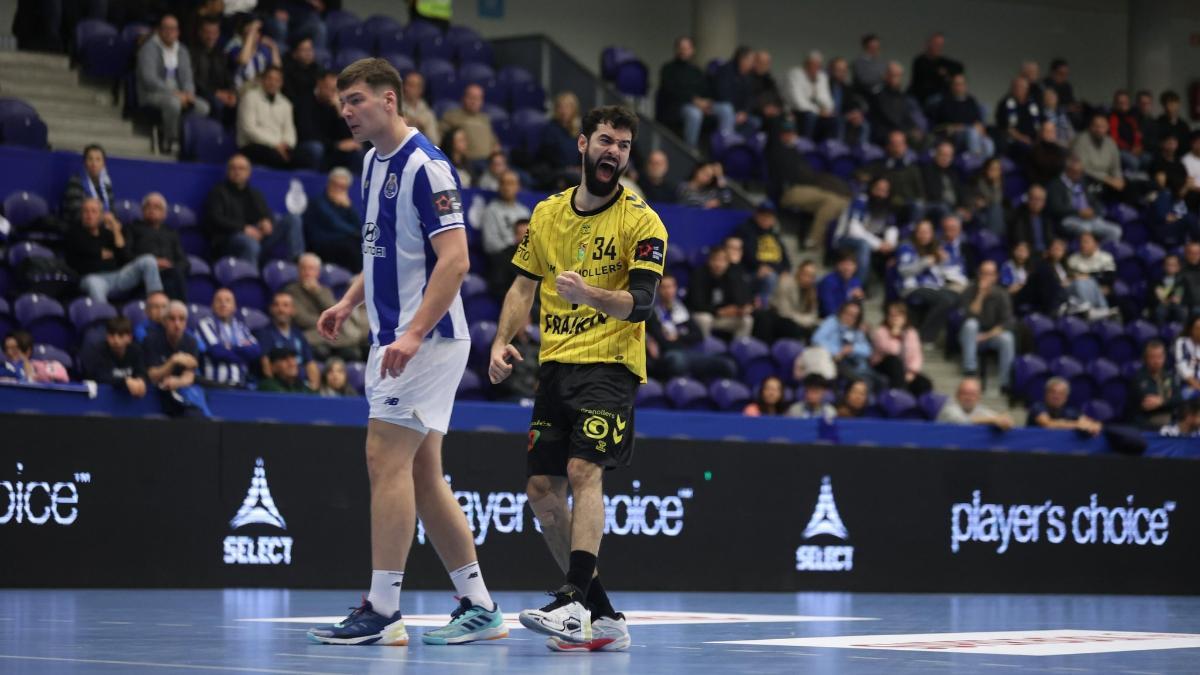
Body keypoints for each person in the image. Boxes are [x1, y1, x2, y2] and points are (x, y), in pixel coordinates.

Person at [307, 58, 505, 648]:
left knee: (383, 458)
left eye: (357, 100)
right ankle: (479, 604)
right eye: (342, 103)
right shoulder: (372, 162)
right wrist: (349, 301)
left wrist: (415, 332)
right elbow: (384, 250)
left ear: (389, 100)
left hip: (426, 340)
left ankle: (384, 609)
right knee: (421, 472)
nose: (346, 112)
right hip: (396, 337)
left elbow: (456, 260)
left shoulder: (427, 166)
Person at [488, 104, 666, 652]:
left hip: (610, 364)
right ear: (583, 144)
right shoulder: (546, 214)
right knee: (542, 492)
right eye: (606, 141)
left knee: (583, 470)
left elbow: (642, 302)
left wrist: (588, 293)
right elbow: (523, 286)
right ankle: (603, 615)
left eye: (624, 146)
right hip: (555, 366)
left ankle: (570, 601)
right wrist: (501, 339)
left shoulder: (642, 222)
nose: (615, 152)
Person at [767, 118, 851, 251]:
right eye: (786, 133)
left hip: (805, 188)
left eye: (792, 132)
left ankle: (817, 241)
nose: (790, 135)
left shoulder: (794, 151)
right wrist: (782, 116)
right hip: (789, 191)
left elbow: (808, 174)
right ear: (780, 134)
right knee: (831, 200)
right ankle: (814, 240)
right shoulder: (775, 148)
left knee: (837, 202)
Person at [204, 154, 304, 263]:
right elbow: (215, 219)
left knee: (293, 219)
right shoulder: (218, 192)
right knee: (250, 244)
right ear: (228, 171)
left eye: (241, 169)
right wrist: (243, 228)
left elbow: (266, 213)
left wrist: (267, 221)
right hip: (229, 240)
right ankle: (250, 273)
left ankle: (297, 262)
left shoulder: (254, 193)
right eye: (233, 168)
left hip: (257, 238)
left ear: (249, 173)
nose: (237, 172)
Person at [67, 198, 165, 305]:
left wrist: (114, 226)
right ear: (81, 215)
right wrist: (99, 253)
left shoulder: (106, 233)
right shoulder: (74, 232)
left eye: (93, 211)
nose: (89, 215)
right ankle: (103, 314)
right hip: (92, 277)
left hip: (117, 277)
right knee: (94, 284)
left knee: (148, 260)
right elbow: (85, 250)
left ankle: (157, 303)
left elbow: (122, 252)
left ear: (101, 216)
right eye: (86, 211)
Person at [136, 14, 209, 153]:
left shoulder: (182, 50)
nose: (170, 32)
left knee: (203, 107)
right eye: (166, 28)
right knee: (173, 103)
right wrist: (175, 94)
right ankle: (171, 140)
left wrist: (188, 94)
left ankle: (189, 140)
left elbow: (188, 78)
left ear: (178, 32)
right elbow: (149, 79)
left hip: (180, 94)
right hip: (153, 93)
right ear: (159, 30)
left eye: (173, 29)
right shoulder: (148, 49)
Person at [647, 274, 737, 382]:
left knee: (727, 364)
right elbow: (663, 342)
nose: (668, 291)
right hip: (670, 354)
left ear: (675, 288)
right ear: (658, 290)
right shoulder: (653, 312)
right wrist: (684, 338)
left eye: (671, 286)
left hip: (690, 352)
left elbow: (698, 335)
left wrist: (678, 337)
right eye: (664, 287)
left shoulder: (681, 308)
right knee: (677, 362)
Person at [286, 253, 367, 362]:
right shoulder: (291, 291)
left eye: (311, 269)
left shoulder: (323, 290)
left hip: (327, 334)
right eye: (304, 268)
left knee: (353, 353)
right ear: (298, 271)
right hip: (309, 334)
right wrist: (326, 322)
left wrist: (317, 293)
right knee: (321, 351)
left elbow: (335, 312)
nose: (307, 272)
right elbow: (302, 319)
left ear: (318, 273)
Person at [657, 36, 732, 148]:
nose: (684, 51)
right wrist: (694, 101)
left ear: (692, 50)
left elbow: (705, 89)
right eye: (681, 48)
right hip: (677, 106)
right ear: (676, 49)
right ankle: (691, 150)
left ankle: (725, 146)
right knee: (694, 113)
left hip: (699, 104)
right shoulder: (668, 69)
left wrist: (706, 103)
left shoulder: (696, 70)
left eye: (687, 48)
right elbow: (671, 91)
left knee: (726, 109)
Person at [895, 219, 958, 343]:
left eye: (928, 232)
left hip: (933, 287)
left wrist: (943, 261)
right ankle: (924, 338)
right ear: (916, 233)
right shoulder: (906, 247)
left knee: (955, 297)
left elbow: (941, 274)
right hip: (913, 288)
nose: (924, 235)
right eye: (921, 232)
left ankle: (949, 342)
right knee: (946, 300)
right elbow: (903, 271)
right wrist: (924, 262)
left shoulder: (934, 248)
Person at [237, 66, 310, 169]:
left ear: (281, 83)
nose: (273, 83)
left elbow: (289, 130)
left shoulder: (286, 103)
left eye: (277, 80)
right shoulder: (250, 98)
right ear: (262, 80)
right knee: (275, 157)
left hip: (279, 147)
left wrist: (286, 145)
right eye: (269, 78)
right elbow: (249, 129)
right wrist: (275, 144)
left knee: (304, 159)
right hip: (253, 144)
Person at [958, 261, 1015, 392]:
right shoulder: (969, 290)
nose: (986, 277)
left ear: (996, 276)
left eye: (990, 274)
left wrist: (986, 336)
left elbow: (1007, 322)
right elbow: (969, 315)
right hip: (969, 336)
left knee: (1007, 338)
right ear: (979, 275)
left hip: (990, 335)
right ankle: (970, 370)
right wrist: (981, 294)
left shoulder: (1002, 294)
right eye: (983, 273)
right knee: (971, 324)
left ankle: (1005, 383)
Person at [832, 176, 898, 286]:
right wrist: (879, 244)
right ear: (871, 188)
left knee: (899, 248)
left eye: (884, 191)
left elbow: (892, 227)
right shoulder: (860, 201)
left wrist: (889, 243)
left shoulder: (887, 206)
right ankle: (857, 287)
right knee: (864, 245)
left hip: (872, 242)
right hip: (844, 239)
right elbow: (854, 230)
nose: (880, 194)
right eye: (878, 189)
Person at [143, 300, 205, 417]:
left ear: (186, 323)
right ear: (164, 321)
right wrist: (173, 361)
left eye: (181, 319)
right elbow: (152, 376)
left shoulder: (191, 342)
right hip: (155, 394)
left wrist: (178, 382)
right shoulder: (151, 340)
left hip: (182, 392)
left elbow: (189, 375)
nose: (177, 324)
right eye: (172, 319)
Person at [1046, 155, 1123, 243]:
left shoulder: (1082, 182)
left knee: (1115, 231)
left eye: (1081, 172)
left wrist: (1093, 211)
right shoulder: (1056, 185)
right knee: (1086, 229)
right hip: (1070, 219)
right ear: (1068, 171)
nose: (1079, 175)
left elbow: (1094, 200)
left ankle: (1099, 250)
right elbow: (1056, 208)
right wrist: (1078, 212)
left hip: (1090, 219)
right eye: (1076, 172)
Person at [298, 71, 363, 172]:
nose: (331, 93)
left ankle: (352, 182)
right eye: (327, 88)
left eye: (334, 90)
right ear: (319, 83)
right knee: (316, 148)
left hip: (332, 148)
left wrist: (339, 112)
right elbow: (308, 134)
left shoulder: (335, 105)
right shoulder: (306, 101)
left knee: (357, 151)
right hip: (310, 146)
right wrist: (336, 145)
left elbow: (348, 137)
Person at [194, 288, 260, 388]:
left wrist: (230, 347)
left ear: (234, 307)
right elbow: (217, 352)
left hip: (241, 385)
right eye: (219, 300)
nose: (223, 304)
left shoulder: (241, 327)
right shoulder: (205, 324)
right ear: (212, 306)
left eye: (228, 300)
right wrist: (243, 356)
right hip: (216, 386)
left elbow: (256, 350)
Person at [130, 192, 188, 301]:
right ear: (142, 211)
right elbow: (126, 255)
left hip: (170, 273)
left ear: (164, 213)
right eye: (148, 206)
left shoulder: (171, 232)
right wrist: (153, 262)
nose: (152, 210)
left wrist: (171, 266)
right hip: (143, 273)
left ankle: (177, 308)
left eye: (157, 207)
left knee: (175, 274)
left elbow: (183, 261)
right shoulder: (132, 228)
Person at [255, 291, 319, 389]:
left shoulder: (298, 334)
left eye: (285, 305)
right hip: (279, 386)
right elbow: (266, 365)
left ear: (293, 310)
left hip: (300, 384)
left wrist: (314, 387)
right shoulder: (264, 333)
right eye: (276, 305)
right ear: (271, 309)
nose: (281, 309)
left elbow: (310, 363)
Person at [304, 167, 362, 273]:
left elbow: (358, 225)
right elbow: (335, 223)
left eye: (343, 187)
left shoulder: (346, 204)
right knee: (351, 245)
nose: (338, 189)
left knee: (363, 244)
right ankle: (357, 276)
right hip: (321, 244)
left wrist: (349, 208)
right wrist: (357, 234)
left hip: (342, 242)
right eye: (336, 185)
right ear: (329, 184)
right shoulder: (319, 202)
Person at [688, 246, 753, 339]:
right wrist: (718, 311)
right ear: (709, 261)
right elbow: (697, 304)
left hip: (722, 318)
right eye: (715, 260)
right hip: (703, 315)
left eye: (723, 261)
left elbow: (740, 298)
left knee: (747, 320)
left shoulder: (732, 276)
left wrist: (742, 308)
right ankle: (704, 347)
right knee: (705, 319)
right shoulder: (699, 275)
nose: (718, 264)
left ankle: (739, 346)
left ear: (728, 263)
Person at [871, 300, 931, 396]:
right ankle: (899, 396)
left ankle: (915, 404)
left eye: (898, 315)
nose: (895, 318)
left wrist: (912, 372)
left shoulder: (911, 332)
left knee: (924, 383)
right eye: (892, 315)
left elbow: (917, 355)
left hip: (905, 369)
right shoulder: (880, 332)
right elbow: (892, 351)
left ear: (905, 317)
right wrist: (894, 334)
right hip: (883, 366)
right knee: (894, 361)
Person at [738, 203, 790, 307]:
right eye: (764, 215)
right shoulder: (746, 230)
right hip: (752, 272)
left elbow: (785, 257)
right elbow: (748, 255)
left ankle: (781, 311)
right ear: (757, 215)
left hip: (773, 270)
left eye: (770, 216)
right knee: (770, 277)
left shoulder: (774, 235)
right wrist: (759, 266)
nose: (766, 219)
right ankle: (762, 308)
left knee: (789, 280)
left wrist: (785, 270)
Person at [80, 317, 148, 397]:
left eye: (121, 336)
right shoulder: (98, 351)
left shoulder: (136, 351)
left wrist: (141, 380)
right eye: (112, 335)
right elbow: (100, 377)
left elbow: (142, 372)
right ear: (107, 336)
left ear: (129, 338)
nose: (116, 340)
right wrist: (125, 381)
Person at [932, 73, 993, 158]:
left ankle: (986, 163)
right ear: (952, 86)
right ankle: (974, 160)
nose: (959, 87)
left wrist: (981, 129)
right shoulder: (945, 101)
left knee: (988, 142)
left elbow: (978, 119)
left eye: (962, 84)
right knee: (972, 133)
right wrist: (961, 127)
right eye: (956, 84)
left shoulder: (971, 100)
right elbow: (943, 124)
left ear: (965, 86)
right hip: (956, 134)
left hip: (973, 130)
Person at [812, 301, 875, 384]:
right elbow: (816, 339)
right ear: (841, 312)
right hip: (833, 360)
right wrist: (838, 351)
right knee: (861, 382)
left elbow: (868, 350)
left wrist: (852, 348)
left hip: (854, 365)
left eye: (854, 316)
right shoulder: (832, 321)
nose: (849, 318)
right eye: (847, 313)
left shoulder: (856, 330)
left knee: (881, 381)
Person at [867, 130, 925, 220]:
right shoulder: (878, 165)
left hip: (907, 205)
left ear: (905, 146)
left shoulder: (913, 169)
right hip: (884, 203)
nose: (897, 147)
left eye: (900, 144)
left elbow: (920, 192)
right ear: (888, 146)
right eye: (894, 144)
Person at [190, 16, 238, 124]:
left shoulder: (221, 54)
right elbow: (194, 80)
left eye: (214, 33)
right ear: (200, 33)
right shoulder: (192, 53)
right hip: (201, 93)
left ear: (218, 34)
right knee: (217, 104)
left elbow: (228, 77)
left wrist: (231, 93)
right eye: (207, 32)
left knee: (239, 103)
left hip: (220, 93)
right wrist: (215, 93)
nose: (211, 36)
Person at [439, 83, 499, 162]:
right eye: (471, 97)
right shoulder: (451, 117)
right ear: (463, 98)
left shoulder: (485, 119)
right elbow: (440, 139)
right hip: (465, 162)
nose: (474, 102)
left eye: (478, 99)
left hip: (488, 162)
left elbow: (495, 144)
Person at [1071, 113, 1126, 197]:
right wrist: (1107, 179)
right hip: (1088, 179)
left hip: (1108, 181)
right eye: (1096, 126)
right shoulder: (1081, 141)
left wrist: (1119, 179)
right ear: (1090, 127)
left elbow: (1116, 167)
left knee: (1129, 186)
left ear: (1107, 127)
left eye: (1103, 127)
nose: (1099, 130)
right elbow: (1082, 168)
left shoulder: (1111, 143)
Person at [537, 92, 584, 189]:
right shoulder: (551, 128)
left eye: (567, 107)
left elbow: (583, 152)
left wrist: (580, 167)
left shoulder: (579, 129)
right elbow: (549, 155)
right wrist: (567, 168)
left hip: (576, 171)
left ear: (574, 109)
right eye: (560, 107)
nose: (564, 111)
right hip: (556, 171)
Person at [869, 61, 922, 146]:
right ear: (886, 76)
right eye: (894, 75)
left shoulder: (900, 95)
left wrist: (914, 128)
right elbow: (891, 118)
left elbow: (905, 115)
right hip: (884, 132)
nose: (897, 79)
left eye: (899, 76)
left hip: (900, 131)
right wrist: (907, 130)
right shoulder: (879, 95)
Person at [480, 171, 532, 256]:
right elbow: (489, 244)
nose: (507, 187)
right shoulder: (491, 210)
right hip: (504, 256)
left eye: (511, 183)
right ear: (499, 187)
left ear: (518, 187)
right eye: (503, 183)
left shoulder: (524, 211)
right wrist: (514, 243)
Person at [765, 261, 820, 342]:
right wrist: (804, 320)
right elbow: (785, 312)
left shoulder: (812, 290)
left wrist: (806, 321)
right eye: (806, 274)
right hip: (778, 319)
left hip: (798, 321)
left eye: (812, 276)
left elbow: (813, 314)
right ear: (799, 272)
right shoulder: (785, 283)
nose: (808, 279)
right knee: (791, 327)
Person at [61, 144, 116, 225]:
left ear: (103, 164)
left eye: (98, 159)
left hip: (102, 227)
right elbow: (76, 213)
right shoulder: (76, 182)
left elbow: (112, 211)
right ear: (85, 162)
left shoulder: (106, 184)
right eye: (90, 159)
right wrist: (103, 218)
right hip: (79, 227)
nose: (94, 164)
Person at [225, 14, 281, 91]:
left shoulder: (262, 50)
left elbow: (277, 69)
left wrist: (273, 47)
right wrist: (251, 33)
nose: (255, 34)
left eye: (258, 31)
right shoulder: (234, 48)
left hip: (260, 90)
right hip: (241, 90)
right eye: (252, 31)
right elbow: (243, 60)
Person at [1028, 377, 1102, 435]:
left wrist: (1093, 425)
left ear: (1066, 397)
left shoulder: (1070, 411)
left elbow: (1087, 422)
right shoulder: (1037, 406)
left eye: (1061, 393)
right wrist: (1076, 425)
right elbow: (1048, 424)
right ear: (1046, 393)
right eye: (1053, 392)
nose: (1056, 396)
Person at [1131, 340, 1179, 429]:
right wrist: (1167, 401)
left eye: (1159, 357)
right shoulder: (1139, 378)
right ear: (1146, 359)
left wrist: (1162, 402)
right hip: (1147, 420)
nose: (1156, 361)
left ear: (1164, 357)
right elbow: (1148, 403)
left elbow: (1178, 398)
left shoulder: (1168, 376)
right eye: (1152, 357)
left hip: (1170, 417)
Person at [786, 50, 834, 138]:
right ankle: (806, 143)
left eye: (818, 66)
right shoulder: (795, 74)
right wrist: (818, 111)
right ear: (806, 64)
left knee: (832, 118)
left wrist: (826, 110)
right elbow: (799, 103)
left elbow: (827, 99)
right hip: (797, 111)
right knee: (810, 116)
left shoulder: (822, 77)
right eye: (812, 65)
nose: (815, 68)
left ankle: (827, 145)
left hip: (817, 111)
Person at [937, 377, 1014, 429]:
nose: (968, 397)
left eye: (973, 394)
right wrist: (993, 420)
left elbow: (998, 418)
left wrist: (1004, 420)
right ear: (957, 395)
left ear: (978, 397)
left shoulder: (980, 409)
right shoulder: (949, 408)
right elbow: (963, 423)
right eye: (965, 393)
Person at [994, 76, 1040, 157]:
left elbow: (1040, 123)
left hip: (1035, 140)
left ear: (1027, 89)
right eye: (1016, 87)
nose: (1019, 89)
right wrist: (1022, 138)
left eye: (1022, 87)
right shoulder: (1005, 103)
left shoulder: (1033, 104)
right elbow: (1006, 128)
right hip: (1014, 141)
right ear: (1012, 88)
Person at [2, 329, 69, 383]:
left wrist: (26, 366)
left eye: (14, 349)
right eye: (6, 349)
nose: (9, 352)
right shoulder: (4, 367)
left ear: (27, 351)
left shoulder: (42, 368)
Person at [921, 140, 965, 219]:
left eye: (948, 156)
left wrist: (963, 207)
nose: (945, 158)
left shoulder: (954, 171)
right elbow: (931, 194)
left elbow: (961, 191)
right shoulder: (927, 170)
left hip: (953, 207)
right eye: (942, 155)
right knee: (944, 208)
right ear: (936, 155)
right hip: (935, 205)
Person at [817, 251, 864, 318]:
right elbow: (829, 311)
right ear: (837, 265)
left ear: (856, 267)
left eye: (851, 265)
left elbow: (858, 311)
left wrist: (859, 299)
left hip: (848, 319)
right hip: (830, 319)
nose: (848, 268)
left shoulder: (856, 282)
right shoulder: (828, 282)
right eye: (844, 264)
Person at [968, 157, 1007, 237]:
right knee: (994, 209)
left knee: (997, 209)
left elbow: (997, 201)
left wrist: (996, 184)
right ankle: (994, 238)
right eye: (992, 169)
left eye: (997, 169)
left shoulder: (1004, 183)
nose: (995, 172)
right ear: (986, 169)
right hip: (979, 212)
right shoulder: (979, 182)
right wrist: (996, 184)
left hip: (997, 213)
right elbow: (994, 200)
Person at [401, 71, 440, 146]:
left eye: (415, 86)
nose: (407, 88)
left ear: (421, 90)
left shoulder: (428, 114)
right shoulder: (396, 109)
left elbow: (435, 142)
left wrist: (424, 127)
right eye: (408, 85)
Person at [1108, 90, 1143, 170]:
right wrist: (1130, 149)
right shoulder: (1113, 118)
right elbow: (1114, 139)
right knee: (1134, 162)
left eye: (1126, 102)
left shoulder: (1131, 117)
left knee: (1147, 159)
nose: (1124, 104)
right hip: (1119, 150)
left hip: (1133, 149)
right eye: (1121, 102)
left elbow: (1137, 134)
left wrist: (1138, 146)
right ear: (1115, 104)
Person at [1027, 120, 1069, 186]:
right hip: (1040, 185)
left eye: (1052, 131)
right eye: (1047, 131)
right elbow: (1031, 174)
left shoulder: (1061, 152)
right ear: (1041, 133)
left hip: (1057, 185)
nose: (1050, 134)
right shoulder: (1033, 151)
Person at [1154, 254, 1187, 325]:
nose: (1170, 267)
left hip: (1179, 305)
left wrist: (1181, 299)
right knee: (1160, 311)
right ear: (1164, 266)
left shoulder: (1183, 281)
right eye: (1168, 265)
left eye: (1173, 265)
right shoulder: (1157, 281)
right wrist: (1161, 298)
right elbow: (1154, 297)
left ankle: (1182, 330)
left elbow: (1188, 295)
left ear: (1178, 267)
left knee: (1183, 311)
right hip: (1162, 305)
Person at [1174, 315, 1200, 400]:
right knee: (1188, 395)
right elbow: (1181, 365)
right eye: (1197, 328)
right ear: (1191, 329)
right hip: (1184, 383)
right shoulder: (1182, 342)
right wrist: (1195, 384)